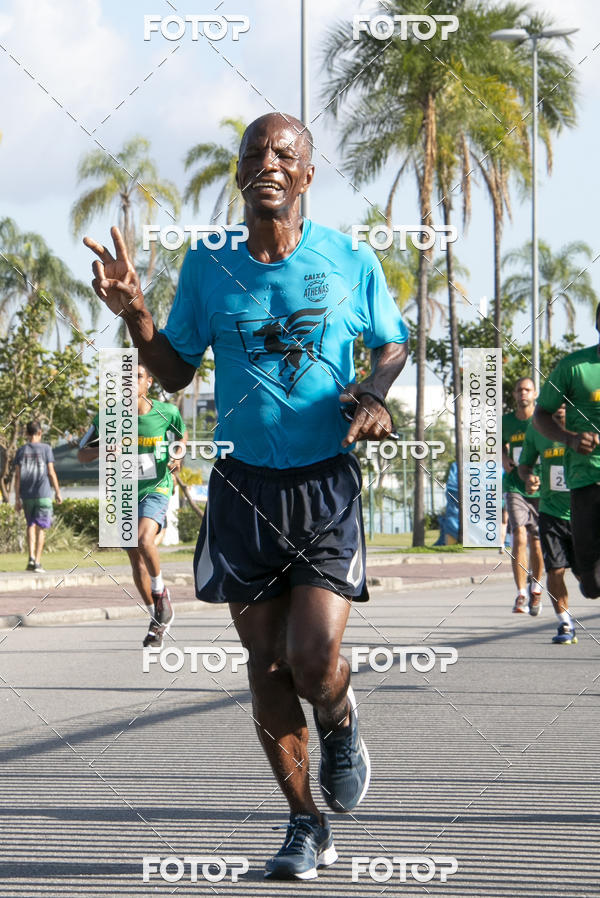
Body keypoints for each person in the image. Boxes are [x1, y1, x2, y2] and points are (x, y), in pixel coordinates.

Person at [83, 112, 408, 881]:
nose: (268, 160)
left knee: (314, 659)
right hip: (241, 489)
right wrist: (136, 313)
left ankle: (340, 718)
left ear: (306, 175)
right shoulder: (208, 263)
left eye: (284, 153)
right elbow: (174, 372)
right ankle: (306, 825)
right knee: (266, 667)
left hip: (323, 483)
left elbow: (391, 340)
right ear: (239, 173)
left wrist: (374, 390)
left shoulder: (348, 257)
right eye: (254, 152)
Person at [78, 363, 187, 647]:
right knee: (134, 555)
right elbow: (81, 455)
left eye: (136, 377)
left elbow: (182, 437)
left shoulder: (167, 412)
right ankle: (156, 618)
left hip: (157, 486)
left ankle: (161, 591)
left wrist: (177, 454)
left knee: (142, 539)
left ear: (148, 382)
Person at [534, 303, 600, 600]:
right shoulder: (574, 367)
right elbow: (541, 416)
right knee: (592, 584)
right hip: (585, 480)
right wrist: (570, 439)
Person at [518, 406, 577, 644]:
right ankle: (564, 623)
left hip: (581, 511)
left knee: (588, 579)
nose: (561, 405)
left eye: (566, 399)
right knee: (555, 569)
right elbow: (525, 465)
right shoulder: (537, 429)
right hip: (550, 511)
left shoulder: (586, 424)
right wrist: (529, 478)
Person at [502, 377, 544, 614]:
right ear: (514, 395)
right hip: (515, 485)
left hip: (540, 486)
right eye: (519, 390)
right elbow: (497, 443)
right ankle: (520, 593)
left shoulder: (542, 420)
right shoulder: (505, 421)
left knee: (537, 541)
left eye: (527, 390)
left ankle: (536, 588)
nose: (523, 394)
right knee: (518, 535)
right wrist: (503, 457)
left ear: (535, 393)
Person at [13, 420, 62, 572]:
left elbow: (17, 476)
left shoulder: (21, 451)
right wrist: (58, 492)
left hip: (26, 495)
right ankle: (38, 563)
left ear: (27, 434)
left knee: (30, 525)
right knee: (41, 527)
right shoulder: (46, 449)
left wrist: (16, 498)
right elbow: (51, 472)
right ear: (40, 433)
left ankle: (31, 559)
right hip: (43, 494)